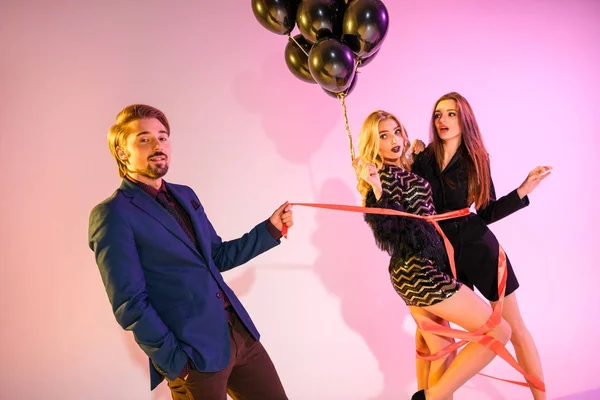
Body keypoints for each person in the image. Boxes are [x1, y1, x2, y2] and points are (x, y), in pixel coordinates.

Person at [88, 104, 293, 400]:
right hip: (193, 355)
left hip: (240, 336)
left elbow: (216, 257)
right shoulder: (112, 214)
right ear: (122, 152)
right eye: (144, 139)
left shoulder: (185, 194)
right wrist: (176, 364)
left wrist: (270, 229)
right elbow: (129, 304)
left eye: (163, 137)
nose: (158, 146)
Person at [354, 110, 512, 400]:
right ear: (372, 144)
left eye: (396, 132)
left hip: (415, 270)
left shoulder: (405, 170)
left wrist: (419, 155)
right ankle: (433, 396)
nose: (393, 140)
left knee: (440, 351)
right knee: (499, 331)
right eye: (383, 136)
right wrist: (375, 187)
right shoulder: (385, 178)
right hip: (418, 272)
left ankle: (432, 394)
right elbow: (387, 230)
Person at [411, 92, 550, 399]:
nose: (443, 120)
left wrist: (523, 190)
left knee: (515, 329)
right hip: (439, 253)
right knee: (434, 337)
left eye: (451, 114)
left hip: (478, 248)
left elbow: (486, 211)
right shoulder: (424, 157)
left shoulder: (476, 157)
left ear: (464, 119)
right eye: (438, 115)